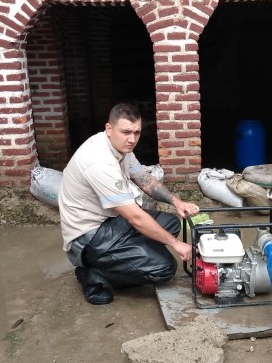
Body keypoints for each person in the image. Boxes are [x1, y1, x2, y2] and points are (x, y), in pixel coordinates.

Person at [58, 103, 200, 305]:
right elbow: (134, 217)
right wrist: (176, 244)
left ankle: (128, 260)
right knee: (165, 268)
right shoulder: (99, 162)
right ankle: (94, 273)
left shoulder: (121, 148)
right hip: (89, 238)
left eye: (136, 132)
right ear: (109, 129)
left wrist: (176, 201)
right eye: (125, 132)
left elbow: (143, 178)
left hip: (110, 223)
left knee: (171, 223)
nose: (132, 139)